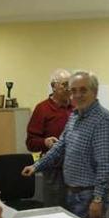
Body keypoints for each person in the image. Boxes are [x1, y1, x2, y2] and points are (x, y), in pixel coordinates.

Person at [21, 70, 109, 218]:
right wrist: (37, 165)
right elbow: (61, 145)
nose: (77, 95)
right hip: (70, 191)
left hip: (88, 195)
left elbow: (106, 166)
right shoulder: (75, 116)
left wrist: (98, 199)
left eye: (83, 90)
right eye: (73, 91)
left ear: (95, 91)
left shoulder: (102, 120)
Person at [26, 68, 72, 208]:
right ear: (53, 86)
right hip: (53, 170)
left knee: (76, 214)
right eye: (65, 84)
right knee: (56, 212)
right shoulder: (42, 109)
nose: (68, 88)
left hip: (74, 169)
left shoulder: (76, 107)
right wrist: (45, 142)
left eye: (70, 84)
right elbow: (30, 143)